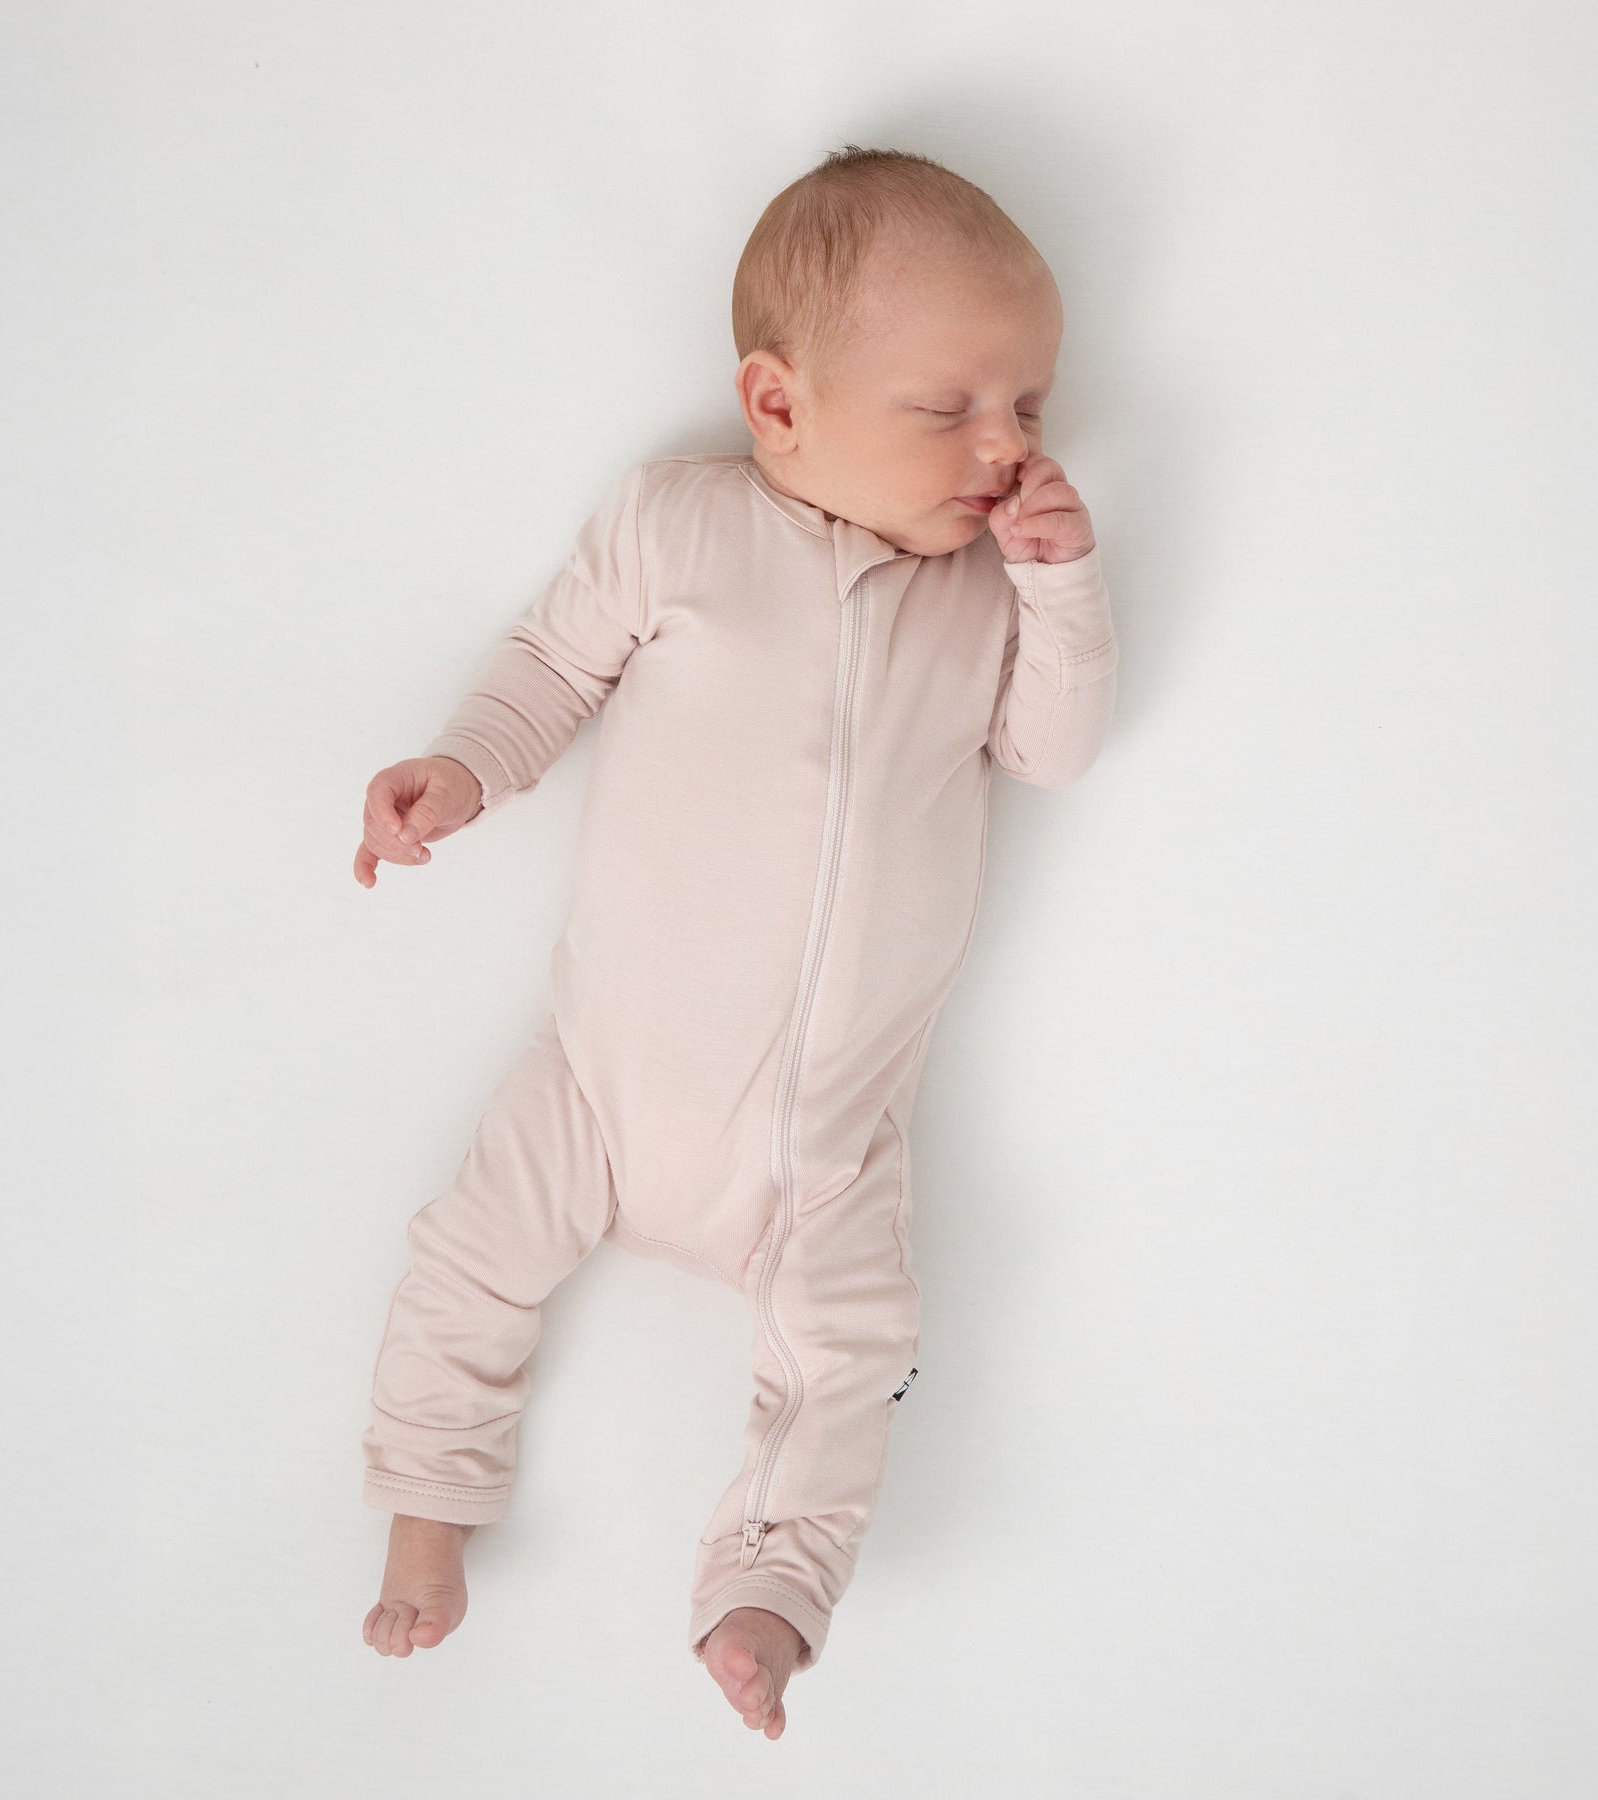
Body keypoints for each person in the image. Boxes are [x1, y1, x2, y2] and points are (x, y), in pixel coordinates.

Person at [353, 144, 1120, 1741]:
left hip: (826, 1143)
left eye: (1030, 411)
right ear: (778, 404)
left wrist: (1058, 589)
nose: (1002, 452)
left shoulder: (979, 594)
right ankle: (428, 1501)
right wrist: (463, 769)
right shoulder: (677, 527)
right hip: (605, 1077)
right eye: (949, 410)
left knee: (854, 1353)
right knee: (464, 1262)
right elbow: (550, 669)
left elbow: (1048, 754)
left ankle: (768, 1592)